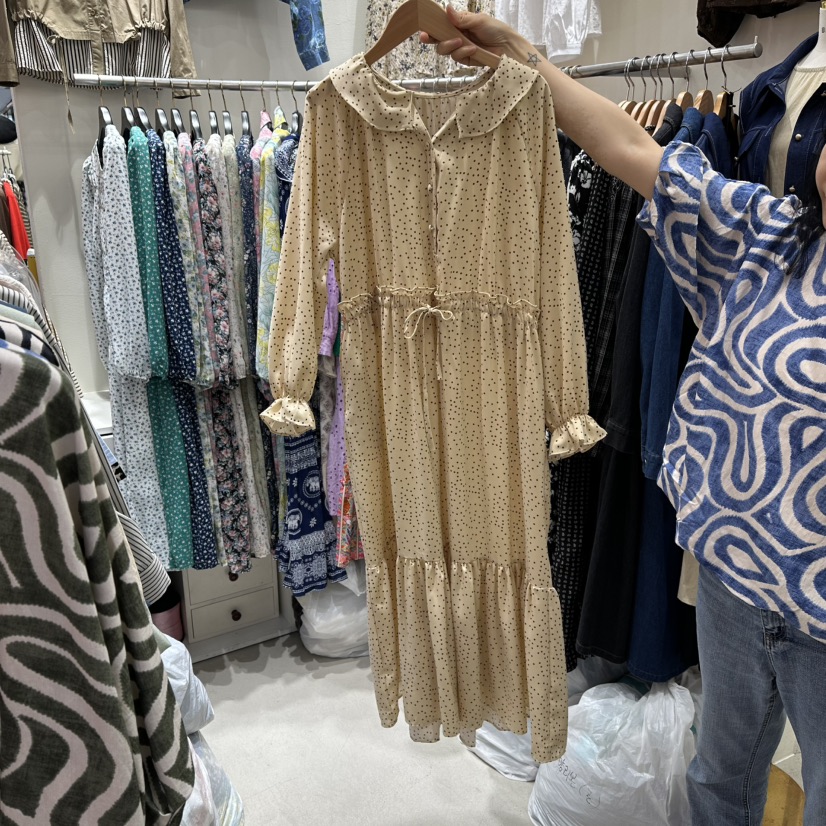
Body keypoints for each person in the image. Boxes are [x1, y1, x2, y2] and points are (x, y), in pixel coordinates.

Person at [422, 9, 826, 826]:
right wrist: (525, 59)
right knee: (718, 778)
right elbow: (632, 148)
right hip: (732, 575)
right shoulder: (768, 233)